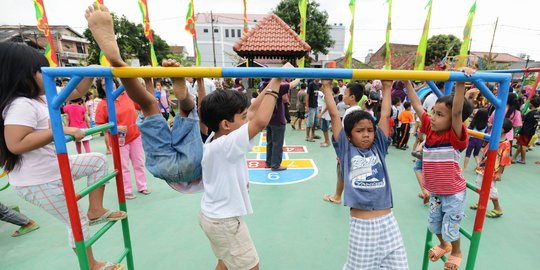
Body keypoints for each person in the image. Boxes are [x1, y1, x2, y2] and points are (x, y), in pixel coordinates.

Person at [0, 41, 126, 270]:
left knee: (98, 161)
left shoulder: (44, 95)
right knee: (76, 221)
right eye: (40, 70)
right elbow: (15, 143)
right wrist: (61, 131)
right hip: (37, 181)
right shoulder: (21, 104)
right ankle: (92, 264)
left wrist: (90, 69)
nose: (47, 74)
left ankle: (96, 208)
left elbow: (77, 91)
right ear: (21, 75)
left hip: (54, 167)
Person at [86, 4, 205, 194]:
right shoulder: (223, 134)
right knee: (151, 107)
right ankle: (184, 98)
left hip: (178, 164)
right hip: (184, 166)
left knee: (179, 113)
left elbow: (151, 108)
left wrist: (149, 82)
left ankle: (184, 100)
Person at [321, 79, 408, 269]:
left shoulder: (378, 147)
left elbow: (385, 116)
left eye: (370, 130)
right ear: (349, 135)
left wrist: (387, 88)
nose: (366, 134)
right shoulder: (345, 149)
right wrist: (327, 87)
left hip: (388, 223)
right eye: (360, 131)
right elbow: (335, 116)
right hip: (363, 226)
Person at [404, 70, 474, 270]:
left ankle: (457, 250)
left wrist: (460, 82)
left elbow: (458, 112)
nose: (433, 117)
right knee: (434, 224)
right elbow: (417, 105)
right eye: (433, 112)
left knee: (451, 226)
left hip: (453, 192)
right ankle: (444, 245)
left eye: (440, 115)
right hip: (435, 191)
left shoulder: (454, 136)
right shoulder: (430, 128)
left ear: (452, 120)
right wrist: (407, 82)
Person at [95, 79, 150, 199]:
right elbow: (99, 124)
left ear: (115, 83)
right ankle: (127, 190)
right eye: (104, 85)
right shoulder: (103, 104)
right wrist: (115, 128)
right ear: (101, 88)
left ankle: (142, 186)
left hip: (135, 135)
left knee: (139, 163)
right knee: (123, 166)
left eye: (111, 82)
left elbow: (141, 106)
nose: (109, 85)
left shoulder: (127, 95)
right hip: (118, 140)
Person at [323, 82, 364, 205]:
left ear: (352, 97)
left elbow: (346, 133)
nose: (343, 95)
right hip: (352, 150)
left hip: (348, 150)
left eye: (345, 93)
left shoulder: (350, 113)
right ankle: (338, 195)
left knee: (341, 172)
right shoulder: (357, 110)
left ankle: (337, 196)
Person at [470, 119, 513, 218]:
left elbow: (504, 160)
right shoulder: (494, 138)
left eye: (496, 125)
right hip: (484, 167)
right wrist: (480, 164)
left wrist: (499, 173)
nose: (493, 127)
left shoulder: (505, 144)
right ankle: (482, 202)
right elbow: (485, 153)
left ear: (502, 129)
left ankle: (497, 208)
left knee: (491, 188)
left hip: (493, 170)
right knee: (480, 183)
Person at [264, 79, 300, 171]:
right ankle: (275, 164)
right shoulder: (278, 87)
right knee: (277, 144)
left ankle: (268, 162)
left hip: (268, 118)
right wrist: (299, 77)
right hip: (278, 120)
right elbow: (291, 85)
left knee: (270, 142)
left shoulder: (264, 86)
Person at [512, 97, 540, 164]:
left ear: (532, 104)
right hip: (531, 131)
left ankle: (523, 159)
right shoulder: (538, 113)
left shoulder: (530, 113)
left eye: (530, 103)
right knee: (521, 145)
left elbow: (522, 119)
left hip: (525, 131)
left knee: (523, 146)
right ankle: (514, 157)